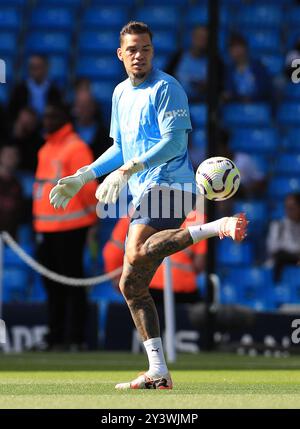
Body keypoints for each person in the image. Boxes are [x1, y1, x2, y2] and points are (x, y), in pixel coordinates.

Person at [49, 21, 248, 388]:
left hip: (174, 184)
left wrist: (129, 168)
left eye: (146, 48)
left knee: (138, 252)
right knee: (132, 284)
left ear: (152, 51)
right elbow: (121, 147)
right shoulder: (120, 94)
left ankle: (213, 227)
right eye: (132, 50)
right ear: (120, 54)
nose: (139, 55)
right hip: (143, 189)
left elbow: (174, 143)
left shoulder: (167, 88)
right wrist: (84, 175)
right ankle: (158, 370)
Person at [33, 102, 98, 351]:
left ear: (63, 119)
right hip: (47, 228)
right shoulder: (46, 148)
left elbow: (88, 187)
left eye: (52, 116)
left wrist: (93, 218)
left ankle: (76, 337)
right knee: (52, 287)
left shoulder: (76, 147)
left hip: (72, 225)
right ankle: (56, 336)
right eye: (45, 116)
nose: (46, 120)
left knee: (72, 284)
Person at [103, 211, 206, 304]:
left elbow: (111, 253)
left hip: (145, 285)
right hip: (182, 290)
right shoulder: (198, 218)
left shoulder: (135, 212)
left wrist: (119, 281)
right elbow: (200, 264)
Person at [166, 25, 223, 103]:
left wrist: (207, 87)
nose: (201, 41)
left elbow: (220, 86)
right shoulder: (178, 57)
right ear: (192, 37)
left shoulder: (215, 62)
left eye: (204, 38)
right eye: (199, 37)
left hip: (204, 104)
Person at [8, 54, 62, 121]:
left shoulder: (55, 91)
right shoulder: (19, 90)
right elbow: (11, 112)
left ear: (46, 68)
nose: (35, 71)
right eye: (32, 67)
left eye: (38, 67)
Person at [223, 34, 272, 103]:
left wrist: (251, 98)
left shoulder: (258, 67)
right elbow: (229, 92)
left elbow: (265, 89)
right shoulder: (228, 70)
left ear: (245, 48)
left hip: (257, 104)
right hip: (235, 105)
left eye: (239, 47)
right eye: (233, 48)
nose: (237, 52)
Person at [266, 193, 300, 282]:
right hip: (282, 262)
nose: (289, 211)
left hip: (297, 262)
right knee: (280, 257)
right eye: (287, 208)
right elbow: (273, 248)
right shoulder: (278, 225)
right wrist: (294, 253)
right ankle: (277, 287)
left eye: (292, 208)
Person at [72, 89, 111, 159]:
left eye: (87, 106)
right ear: (74, 108)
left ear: (93, 107)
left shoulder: (104, 134)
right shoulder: (68, 130)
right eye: (80, 106)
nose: (83, 111)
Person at [0, 145, 23, 238]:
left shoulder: (18, 183)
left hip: (11, 234)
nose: (12, 158)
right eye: (8, 155)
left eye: (15, 155)